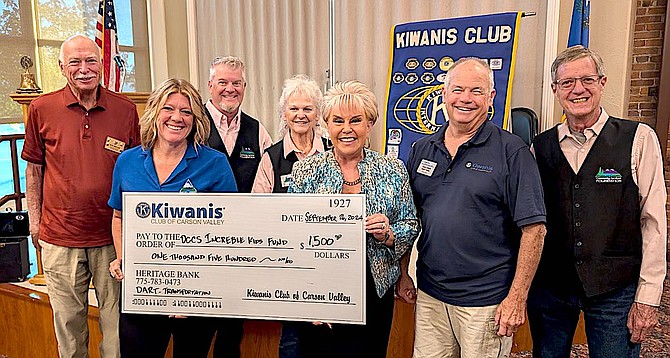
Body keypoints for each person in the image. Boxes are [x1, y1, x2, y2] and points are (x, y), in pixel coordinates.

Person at [528, 45, 667, 357]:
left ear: (602, 83)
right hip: (551, 289)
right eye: (567, 82)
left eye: (587, 79)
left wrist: (649, 294)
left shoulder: (639, 139)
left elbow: (655, 223)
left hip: (615, 290)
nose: (578, 89)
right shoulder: (539, 147)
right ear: (555, 89)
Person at [405, 57, 547, 357]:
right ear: (444, 94)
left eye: (476, 91)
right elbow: (408, 218)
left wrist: (517, 298)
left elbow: (534, 230)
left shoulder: (512, 152)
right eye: (457, 89)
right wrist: (404, 272)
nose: (465, 99)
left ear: (491, 98)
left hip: (486, 303)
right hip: (431, 295)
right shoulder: (421, 149)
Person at [21, 34, 140, 358]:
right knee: (70, 330)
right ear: (62, 67)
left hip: (112, 239)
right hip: (60, 238)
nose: (84, 68)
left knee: (117, 327)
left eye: (90, 60)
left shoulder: (125, 109)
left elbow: (137, 170)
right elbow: (34, 171)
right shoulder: (40, 108)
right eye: (75, 62)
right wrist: (35, 222)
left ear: (100, 64)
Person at [289, 80, 420, 357]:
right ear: (326, 125)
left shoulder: (393, 169)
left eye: (356, 120)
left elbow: (410, 224)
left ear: (369, 124)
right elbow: (292, 236)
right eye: (338, 121)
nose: (346, 129)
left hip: (375, 291)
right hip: (320, 292)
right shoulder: (305, 170)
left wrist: (388, 234)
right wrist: (309, 298)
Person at [107, 78, 237, 357]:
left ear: (195, 119)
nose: (177, 117)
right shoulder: (127, 162)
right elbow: (118, 217)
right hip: (143, 291)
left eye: (186, 111)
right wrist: (122, 258)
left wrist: (189, 289)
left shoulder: (214, 163)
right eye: (169, 108)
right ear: (154, 113)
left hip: (197, 297)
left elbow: (231, 230)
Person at [250, 74, 329, 357]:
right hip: (288, 264)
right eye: (294, 108)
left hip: (329, 262)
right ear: (284, 113)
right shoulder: (271, 157)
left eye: (308, 108)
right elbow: (257, 211)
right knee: (293, 341)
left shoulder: (334, 152)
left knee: (329, 338)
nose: (301, 115)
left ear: (318, 113)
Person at [204, 56, 272, 356]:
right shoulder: (190, 124)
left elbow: (269, 186)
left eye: (236, 83)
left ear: (244, 87)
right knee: (197, 330)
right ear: (210, 86)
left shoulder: (258, 130)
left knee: (232, 331)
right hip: (199, 245)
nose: (230, 89)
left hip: (241, 247)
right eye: (223, 82)